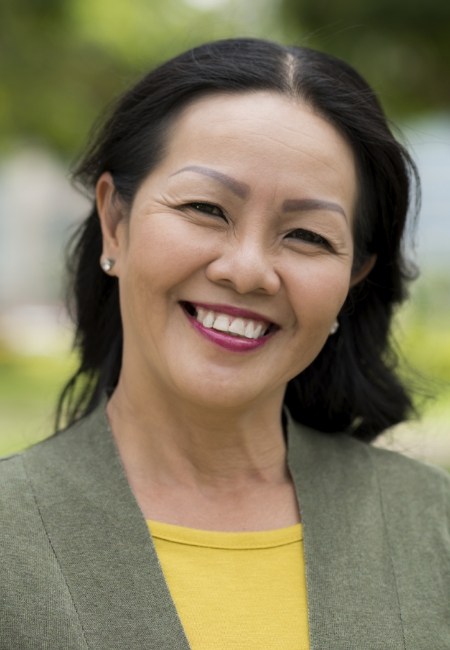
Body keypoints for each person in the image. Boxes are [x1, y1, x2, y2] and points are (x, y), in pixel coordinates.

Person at [1, 38, 449, 649]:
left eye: (308, 237)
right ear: (115, 222)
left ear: (354, 278)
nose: (247, 271)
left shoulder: (433, 526)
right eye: (206, 208)